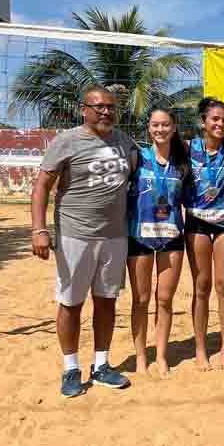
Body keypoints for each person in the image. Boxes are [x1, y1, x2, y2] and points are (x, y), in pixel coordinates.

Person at [31, 84, 137, 397]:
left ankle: (101, 365)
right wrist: (38, 229)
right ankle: (71, 368)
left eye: (110, 107)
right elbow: (41, 187)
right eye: (99, 106)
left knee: (106, 300)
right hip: (75, 234)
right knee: (71, 303)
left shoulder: (124, 142)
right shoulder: (67, 141)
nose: (106, 111)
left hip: (114, 235)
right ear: (84, 109)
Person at [126, 106, 189, 377]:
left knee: (164, 299)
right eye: (155, 125)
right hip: (139, 235)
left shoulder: (182, 162)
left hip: (172, 236)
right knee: (140, 299)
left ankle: (161, 356)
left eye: (165, 125)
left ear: (173, 127)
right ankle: (141, 357)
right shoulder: (136, 157)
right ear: (148, 128)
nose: (160, 129)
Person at [184, 97, 224, 371]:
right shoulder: (188, 148)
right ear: (203, 122)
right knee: (201, 286)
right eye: (215, 119)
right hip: (197, 222)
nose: (220, 124)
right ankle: (200, 349)